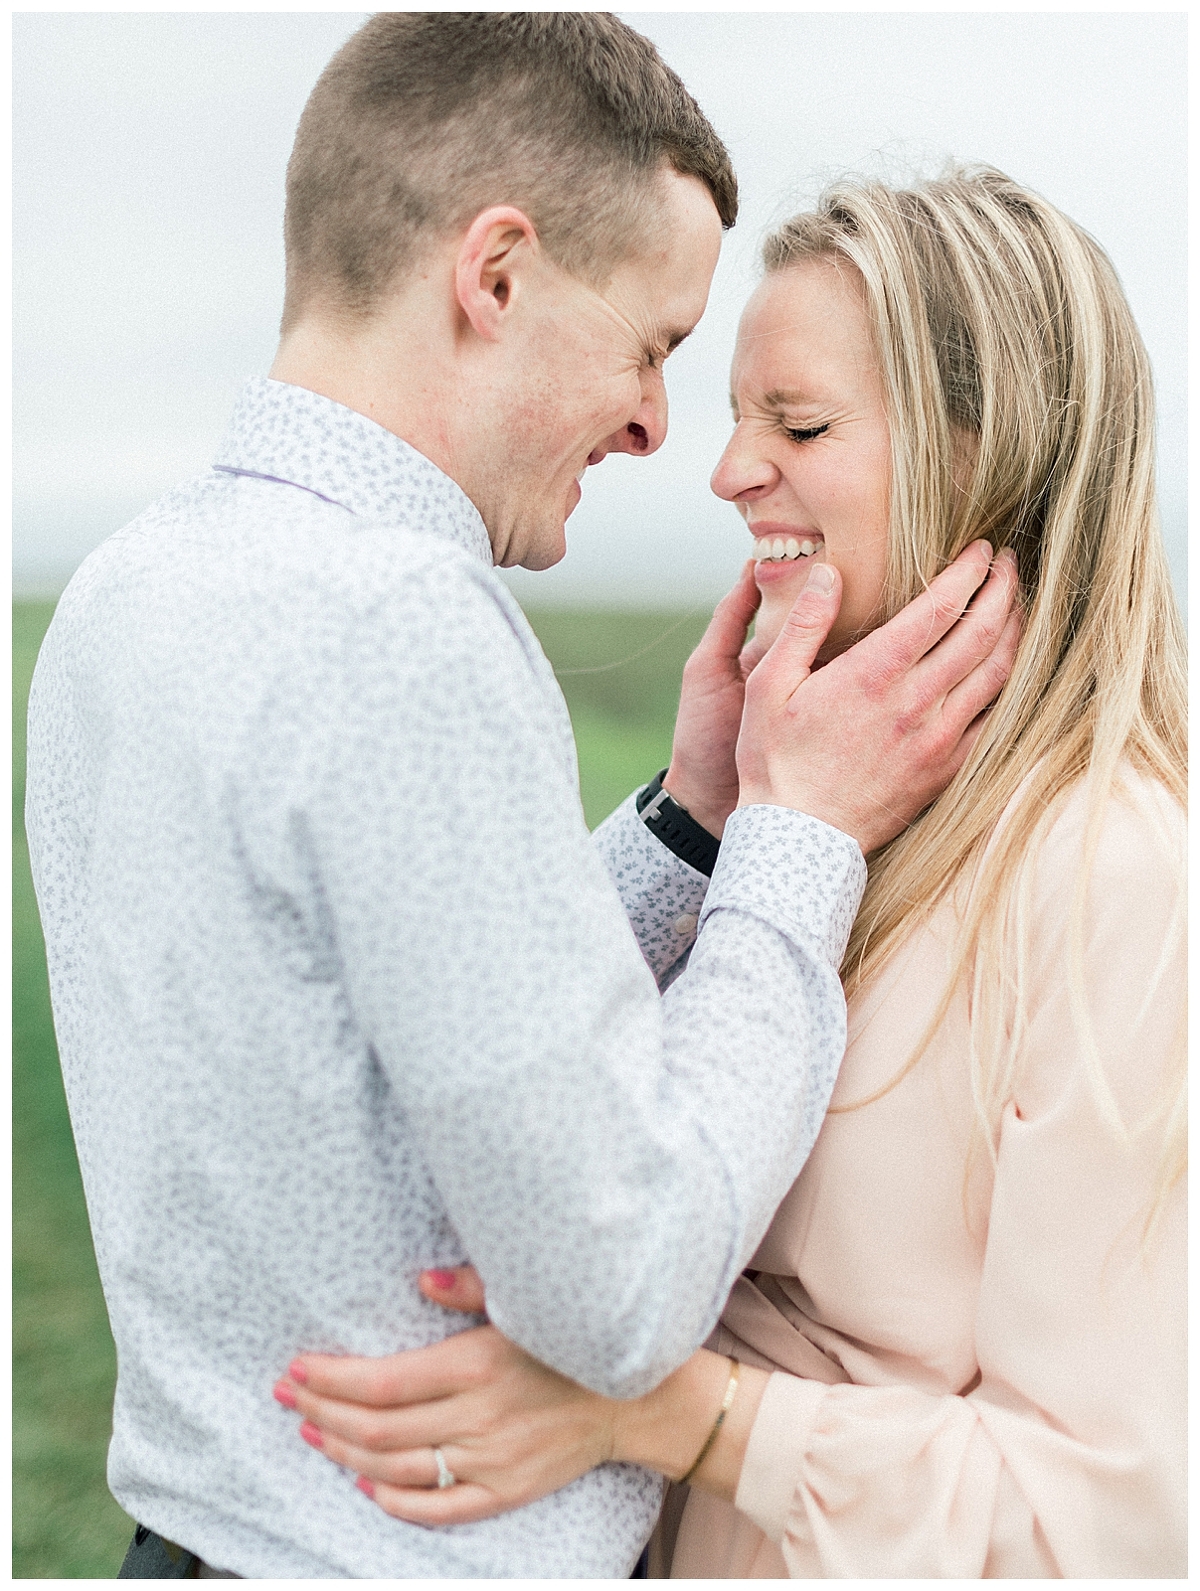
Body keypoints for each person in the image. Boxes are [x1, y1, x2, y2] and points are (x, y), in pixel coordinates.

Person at [23, 19, 1018, 1583]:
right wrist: (800, 838)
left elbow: (389, 1024)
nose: (650, 428)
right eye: (653, 347)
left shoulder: (130, 593)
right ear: (495, 275)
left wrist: (693, 820)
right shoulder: (400, 630)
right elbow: (617, 1290)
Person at [277, 167, 1186, 1578]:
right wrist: (715, 812)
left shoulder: (1111, 883)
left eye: (800, 423)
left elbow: (1115, 1521)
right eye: (737, 417)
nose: (727, 471)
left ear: (985, 451)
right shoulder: (817, 809)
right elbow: (559, 1114)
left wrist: (676, 1415)